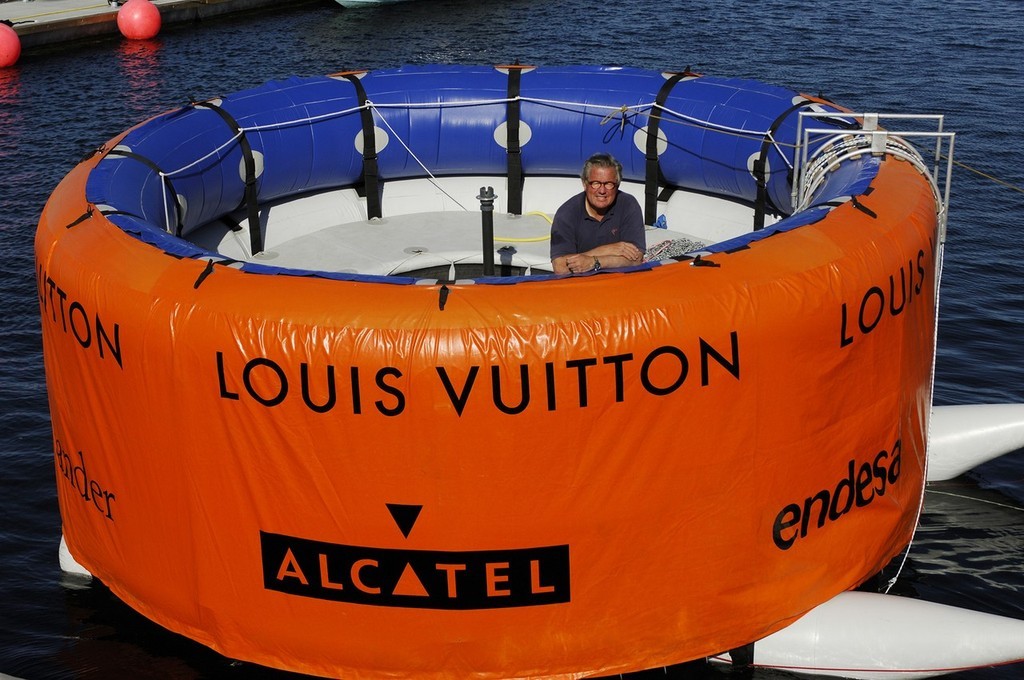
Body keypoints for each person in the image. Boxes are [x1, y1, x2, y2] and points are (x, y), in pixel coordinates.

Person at [550, 153, 645, 275]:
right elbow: (560, 267)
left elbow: (636, 259)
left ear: (617, 185)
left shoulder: (628, 205)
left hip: (620, 283)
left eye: (608, 184)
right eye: (595, 183)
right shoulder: (566, 213)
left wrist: (594, 262)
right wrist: (608, 249)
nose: (602, 190)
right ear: (585, 184)